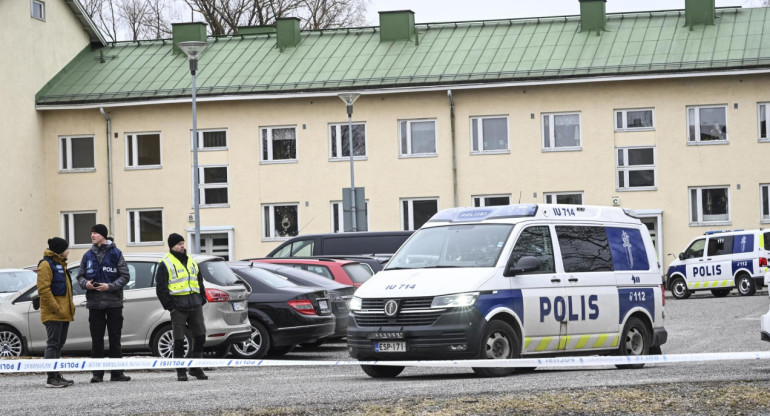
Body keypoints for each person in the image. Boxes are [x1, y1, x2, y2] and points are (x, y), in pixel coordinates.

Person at [76, 224, 131, 383]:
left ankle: (117, 373)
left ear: (103, 236)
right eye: (91, 232)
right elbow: (80, 276)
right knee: (97, 339)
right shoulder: (87, 255)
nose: (92, 235)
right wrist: (85, 283)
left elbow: (125, 276)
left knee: (115, 338)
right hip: (95, 304)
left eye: (95, 233)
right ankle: (97, 374)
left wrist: (110, 286)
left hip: (113, 303)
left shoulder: (116, 253)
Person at [155, 233, 208, 381]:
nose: (182, 246)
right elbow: (161, 289)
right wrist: (170, 307)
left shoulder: (191, 260)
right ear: (172, 246)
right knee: (178, 340)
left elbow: (199, 281)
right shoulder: (165, 263)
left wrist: (202, 298)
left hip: (195, 305)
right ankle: (181, 371)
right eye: (179, 244)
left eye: (183, 243)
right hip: (178, 307)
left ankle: (196, 368)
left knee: (200, 336)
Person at [37, 237, 75, 388]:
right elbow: (44, 290)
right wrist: (56, 309)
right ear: (60, 250)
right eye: (66, 248)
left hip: (63, 313)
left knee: (59, 344)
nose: (68, 251)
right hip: (54, 314)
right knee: (53, 344)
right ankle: (51, 378)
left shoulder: (60, 264)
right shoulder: (46, 264)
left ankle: (57, 375)